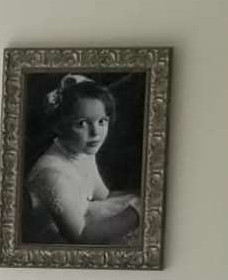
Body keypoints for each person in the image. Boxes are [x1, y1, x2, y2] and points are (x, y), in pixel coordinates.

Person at [21, 75, 143, 245]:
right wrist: (136, 212)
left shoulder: (81, 151)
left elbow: (103, 196)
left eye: (102, 121)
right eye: (81, 123)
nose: (95, 133)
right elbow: (79, 237)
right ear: (58, 125)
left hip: (87, 221)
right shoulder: (52, 174)